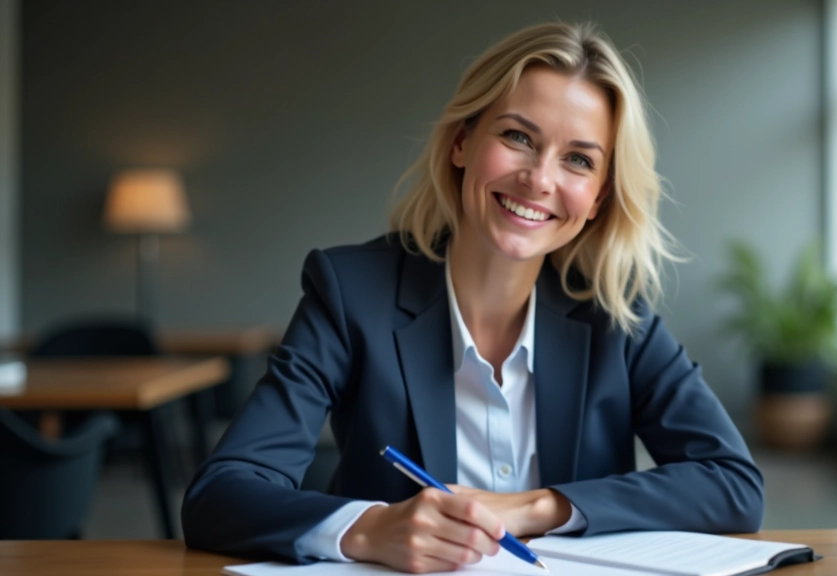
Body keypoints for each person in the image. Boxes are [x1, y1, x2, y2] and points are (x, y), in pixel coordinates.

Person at [182, 21, 763, 574]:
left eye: (578, 160)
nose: (539, 179)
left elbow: (734, 483)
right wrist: (369, 529)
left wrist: (537, 507)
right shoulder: (349, 292)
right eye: (517, 137)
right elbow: (222, 492)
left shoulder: (618, 317)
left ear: (599, 197)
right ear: (462, 141)